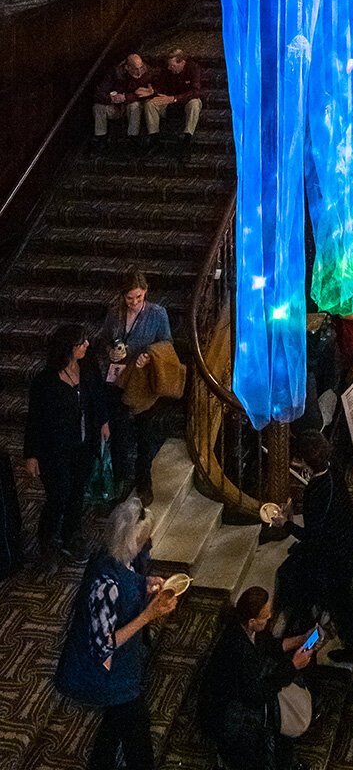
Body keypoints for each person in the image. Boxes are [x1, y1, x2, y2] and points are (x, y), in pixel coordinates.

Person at [55, 496, 179, 769]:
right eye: (143, 539)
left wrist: (144, 583)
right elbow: (102, 646)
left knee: (114, 724)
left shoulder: (116, 558)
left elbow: (129, 577)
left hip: (123, 668)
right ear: (129, 541)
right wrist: (149, 615)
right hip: (107, 675)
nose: (147, 544)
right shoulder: (105, 585)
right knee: (137, 733)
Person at [197, 586, 314, 770]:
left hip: (248, 690)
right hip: (228, 710)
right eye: (265, 615)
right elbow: (257, 694)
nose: (269, 617)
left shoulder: (251, 630)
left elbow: (269, 646)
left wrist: (300, 640)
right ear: (252, 621)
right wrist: (292, 666)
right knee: (268, 726)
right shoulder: (237, 649)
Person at [280, 433, 353, 667]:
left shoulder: (317, 492)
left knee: (343, 606)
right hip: (349, 541)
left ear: (305, 464)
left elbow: (314, 537)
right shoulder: (333, 468)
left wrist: (287, 524)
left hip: (335, 556)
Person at [24, 323, 108, 562]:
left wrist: (103, 421)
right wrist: (31, 454)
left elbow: (98, 395)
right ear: (69, 348)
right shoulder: (45, 382)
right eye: (82, 343)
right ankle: (47, 538)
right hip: (55, 451)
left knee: (77, 493)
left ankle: (71, 534)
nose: (87, 345)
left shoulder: (88, 367)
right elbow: (35, 420)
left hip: (84, 445)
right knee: (59, 494)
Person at [97, 270, 172, 503]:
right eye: (130, 298)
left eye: (139, 297)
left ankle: (143, 481)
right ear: (123, 296)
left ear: (145, 292)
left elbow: (166, 344)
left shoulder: (157, 314)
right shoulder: (115, 314)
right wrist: (110, 351)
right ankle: (121, 478)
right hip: (118, 377)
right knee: (118, 431)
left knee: (145, 434)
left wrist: (149, 356)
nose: (134, 303)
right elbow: (104, 339)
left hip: (142, 380)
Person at [91, 53, 156, 150]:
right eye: (135, 68)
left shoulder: (147, 73)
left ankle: (133, 137)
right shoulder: (115, 73)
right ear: (127, 67)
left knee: (135, 105)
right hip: (116, 107)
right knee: (98, 107)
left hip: (133, 106)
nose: (139, 72)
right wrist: (111, 98)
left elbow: (146, 93)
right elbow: (99, 93)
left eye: (141, 67)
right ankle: (101, 138)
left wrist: (126, 97)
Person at [144, 48, 202, 155]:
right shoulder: (167, 70)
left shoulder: (193, 69)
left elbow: (195, 92)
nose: (169, 68)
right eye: (169, 65)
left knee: (195, 103)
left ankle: (187, 139)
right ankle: (154, 139)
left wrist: (175, 98)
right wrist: (153, 91)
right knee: (150, 104)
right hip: (169, 102)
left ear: (182, 63)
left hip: (185, 101)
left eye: (173, 66)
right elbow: (160, 87)